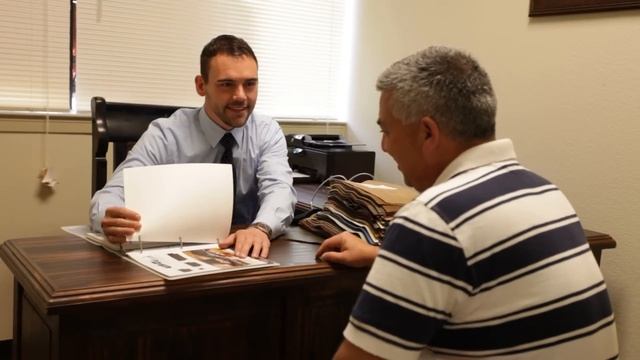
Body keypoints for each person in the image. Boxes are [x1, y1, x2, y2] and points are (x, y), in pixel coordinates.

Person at [317, 46, 618, 359]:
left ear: (427, 133)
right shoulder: (544, 192)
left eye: (386, 130)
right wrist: (386, 257)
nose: (384, 146)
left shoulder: (431, 218)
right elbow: (486, 277)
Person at [90, 35, 296, 258]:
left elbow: (279, 189)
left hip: (244, 254)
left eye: (250, 84)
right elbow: (110, 195)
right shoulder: (167, 134)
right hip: (175, 255)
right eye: (227, 84)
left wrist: (260, 228)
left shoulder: (266, 131)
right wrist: (109, 218)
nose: (240, 96)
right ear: (201, 85)